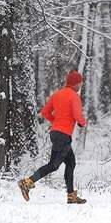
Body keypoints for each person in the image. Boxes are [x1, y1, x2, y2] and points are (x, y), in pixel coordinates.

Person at [18, 70, 87, 204]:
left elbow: (45, 112)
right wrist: (83, 123)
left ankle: (71, 196)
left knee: (71, 163)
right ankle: (27, 182)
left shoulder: (57, 94)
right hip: (63, 135)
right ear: (76, 84)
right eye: (80, 82)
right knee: (53, 165)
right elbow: (78, 115)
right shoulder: (74, 96)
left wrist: (56, 121)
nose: (81, 85)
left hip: (55, 133)